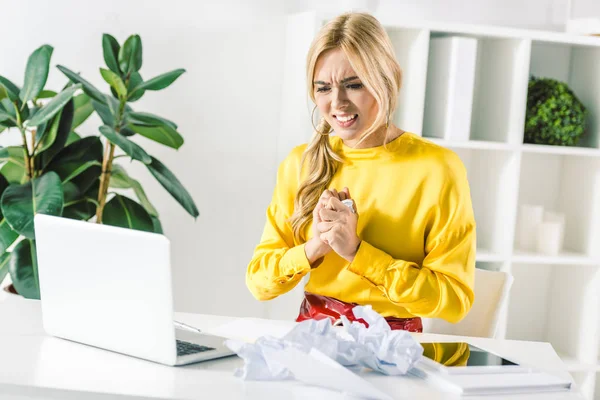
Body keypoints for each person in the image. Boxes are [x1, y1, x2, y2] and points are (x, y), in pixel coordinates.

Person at [246, 12, 476, 332]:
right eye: (323, 88)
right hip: (313, 342)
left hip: (397, 351)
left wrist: (356, 252)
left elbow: (454, 300)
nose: (337, 103)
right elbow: (259, 282)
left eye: (353, 85)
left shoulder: (437, 169)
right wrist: (314, 248)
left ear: (388, 80)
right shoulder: (301, 164)